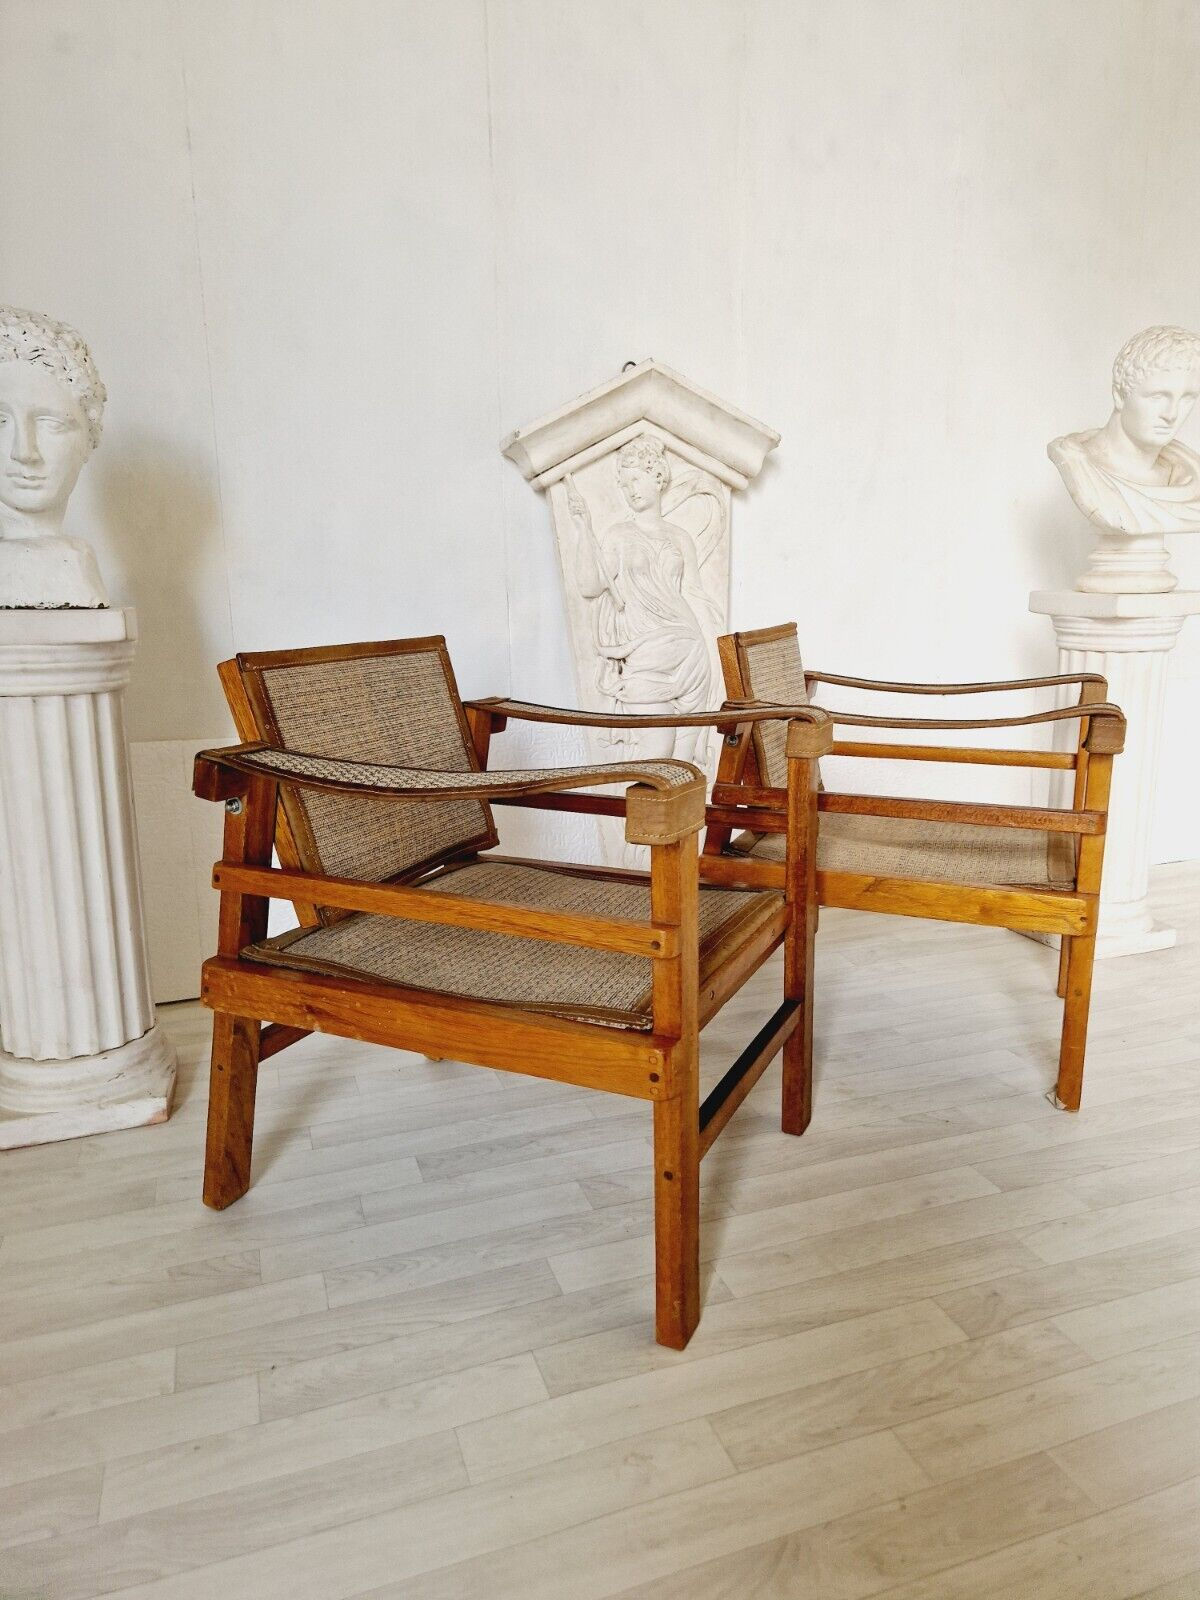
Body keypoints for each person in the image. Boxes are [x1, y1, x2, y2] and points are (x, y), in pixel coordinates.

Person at [566, 434, 721, 764]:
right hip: (645, 655)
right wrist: (583, 529)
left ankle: (689, 819)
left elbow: (695, 596)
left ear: (658, 476)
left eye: (636, 479)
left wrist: (715, 652)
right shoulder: (618, 534)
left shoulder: (681, 538)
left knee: (684, 765)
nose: (631, 490)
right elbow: (591, 586)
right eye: (624, 484)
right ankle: (642, 817)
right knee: (657, 752)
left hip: (691, 652)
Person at [0, 305, 109, 608]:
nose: (24, 452)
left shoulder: (76, 565)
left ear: (89, 437)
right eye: (1, 422)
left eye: (50, 424)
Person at [1049, 325, 1200, 535]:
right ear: (1119, 395)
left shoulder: (1192, 472)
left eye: (1187, 399)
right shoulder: (1080, 464)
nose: (1172, 414)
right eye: (1157, 397)